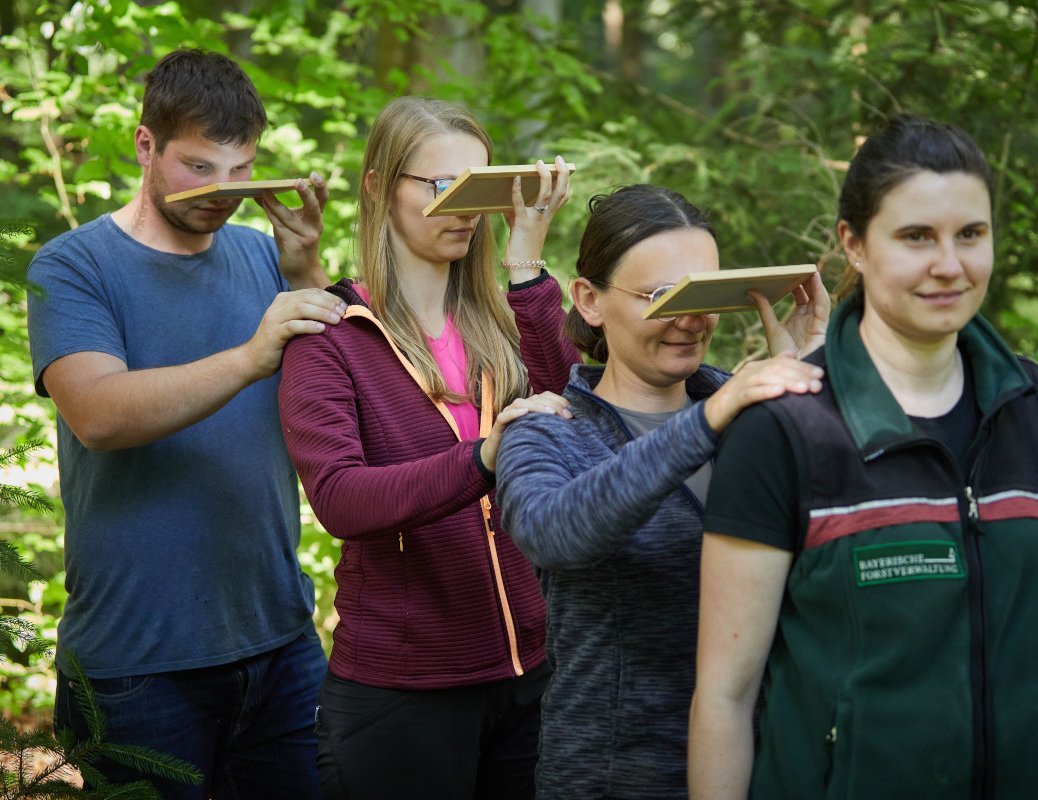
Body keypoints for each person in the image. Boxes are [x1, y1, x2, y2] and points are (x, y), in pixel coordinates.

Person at [688, 115, 1038, 800]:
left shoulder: (1033, 402)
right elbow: (726, 694)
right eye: (916, 236)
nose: (949, 265)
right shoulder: (784, 428)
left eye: (971, 234)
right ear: (854, 245)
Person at [25, 49, 342, 798]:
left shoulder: (265, 258)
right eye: (199, 168)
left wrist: (305, 269)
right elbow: (98, 414)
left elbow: (349, 396)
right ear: (146, 145)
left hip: (281, 645)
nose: (222, 191)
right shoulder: (72, 266)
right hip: (137, 669)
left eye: (242, 171)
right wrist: (250, 356)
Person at [276, 96, 578, 800]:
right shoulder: (332, 337)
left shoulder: (503, 322)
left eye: (479, 187)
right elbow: (341, 499)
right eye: (442, 186)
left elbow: (579, 417)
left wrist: (526, 266)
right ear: (379, 186)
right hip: (402, 691)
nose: (464, 209)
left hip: (532, 676)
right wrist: (483, 459)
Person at [494, 183, 828, 799]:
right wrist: (709, 421)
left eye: (704, 295)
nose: (691, 320)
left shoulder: (753, 413)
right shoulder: (547, 431)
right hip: (616, 779)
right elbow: (553, 533)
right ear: (590, 300)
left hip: (769, 770)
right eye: (661, 296)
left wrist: (815, 382)